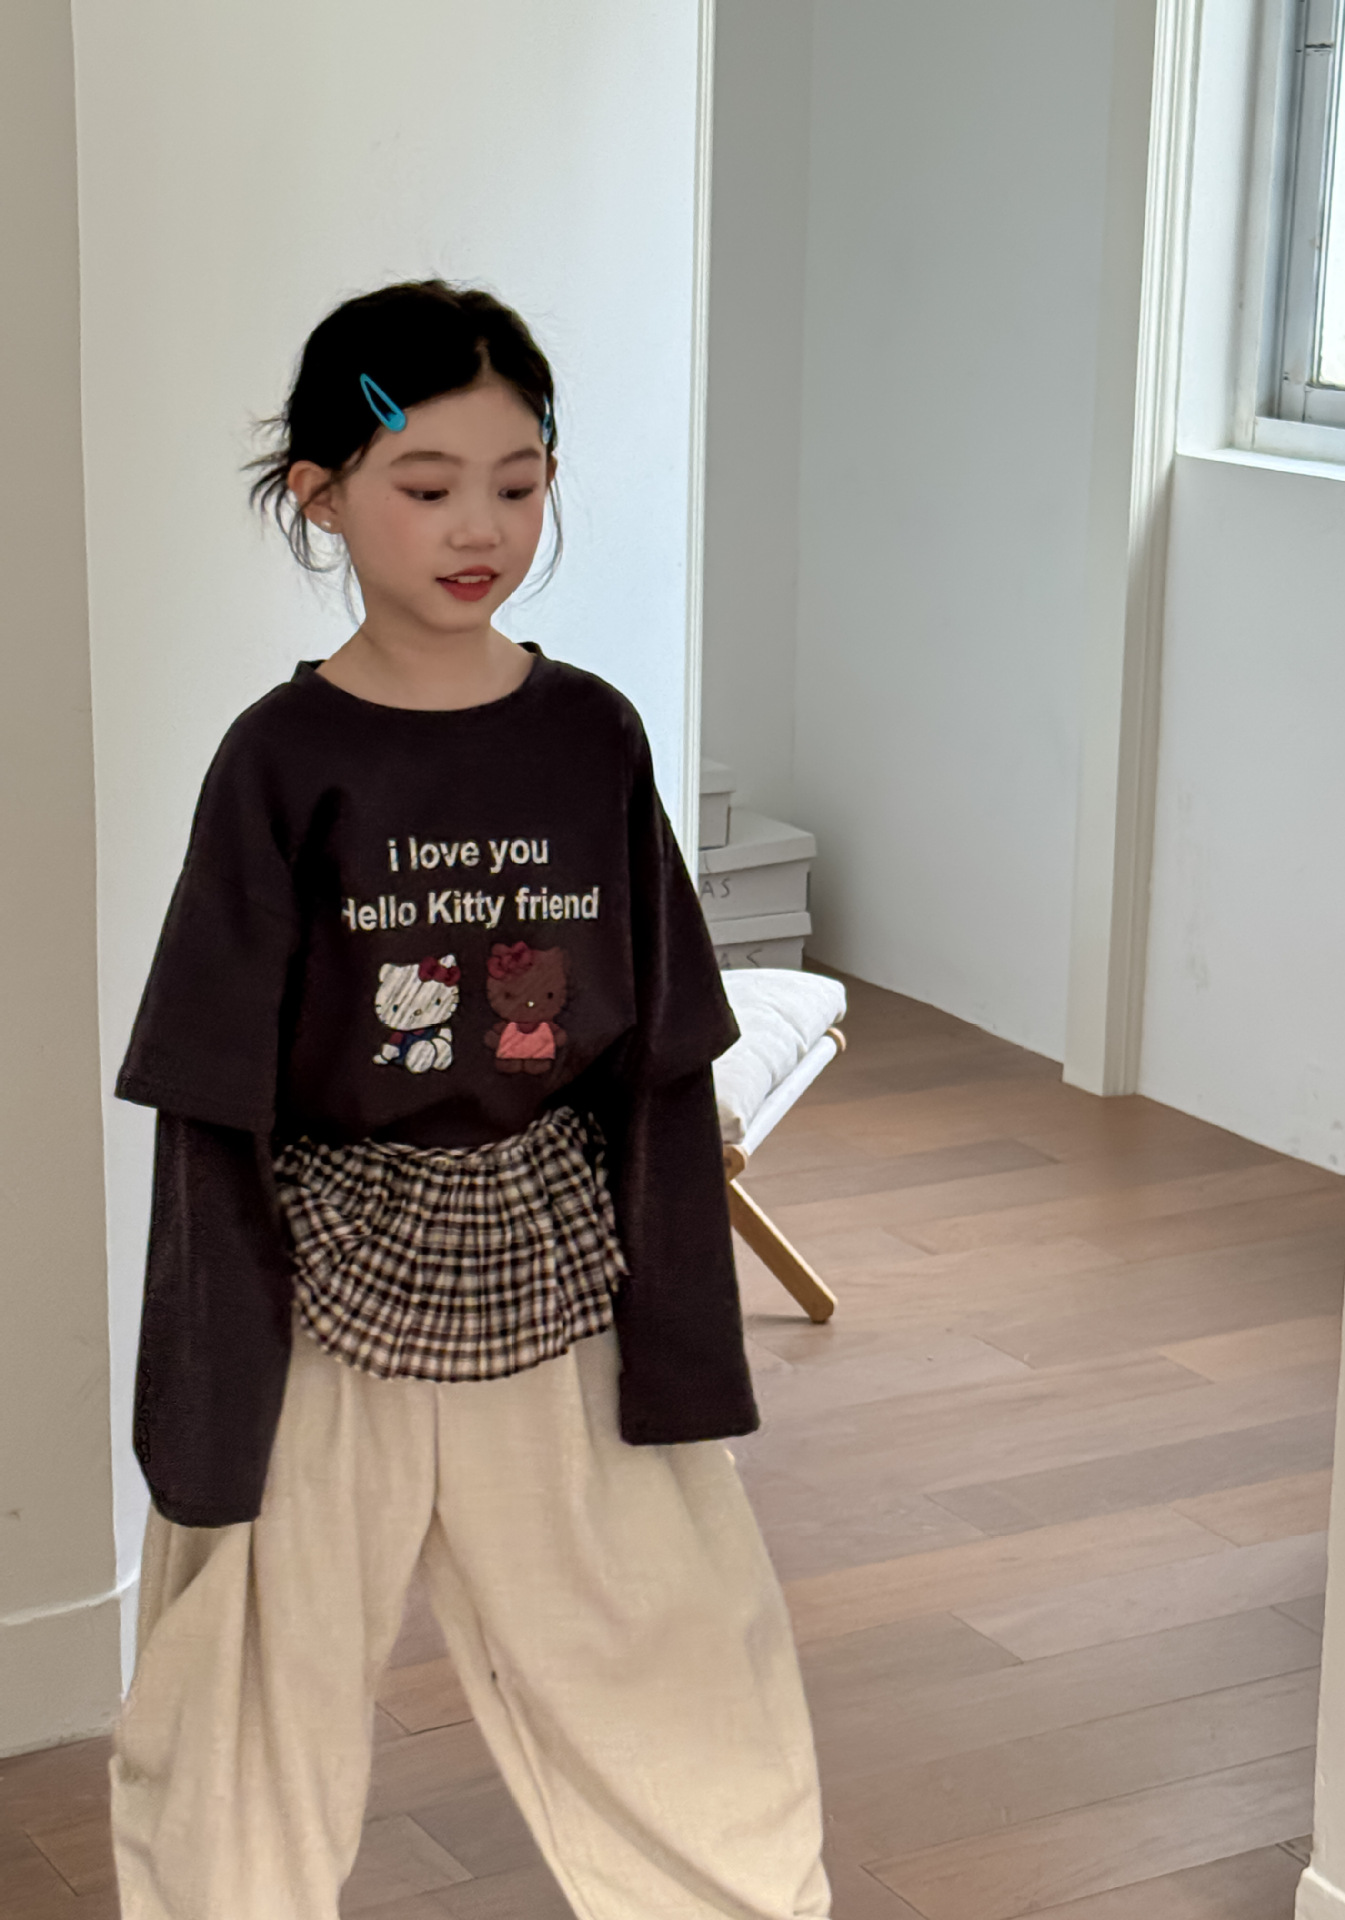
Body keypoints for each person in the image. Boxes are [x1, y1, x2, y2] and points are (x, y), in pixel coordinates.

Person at [107, 278, 831, 1920]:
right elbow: (213, 1094)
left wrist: (685, 1354)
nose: (479, 528)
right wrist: (206, 1405)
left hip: (559, 1273)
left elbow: (658, 1055)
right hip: (323, 1290)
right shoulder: (279, 759)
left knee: (671, 1652)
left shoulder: (593, 736)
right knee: (248, 1691)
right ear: (323, 495)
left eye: (519, 481)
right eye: (427, 486)